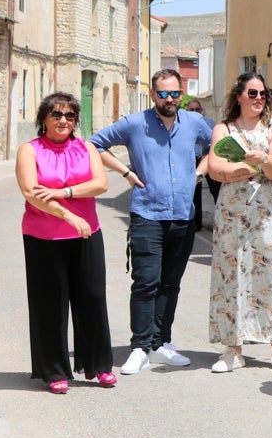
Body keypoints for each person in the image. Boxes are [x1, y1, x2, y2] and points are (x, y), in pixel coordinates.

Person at [91, 68, 213, 374]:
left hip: (183, 216)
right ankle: (140, 347)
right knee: (146, 283)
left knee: (171, 283)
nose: (169, 99)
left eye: (174, 93)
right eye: (163, 93)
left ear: (181, 95)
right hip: (147, 214)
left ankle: (161, 344)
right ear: (153, 95)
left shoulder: (195, 122)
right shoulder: (135, 123)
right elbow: (95, 143)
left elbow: (221, 143)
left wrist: (200, 171)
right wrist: (127, 173)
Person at [17, 93, 115, 394]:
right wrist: (69, 217)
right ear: (44, 118)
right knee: (50, 304)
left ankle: (97, 365)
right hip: (43, 237)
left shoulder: (85, 148)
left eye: (70, 116)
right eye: (57, 114)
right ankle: (54, 370)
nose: (63, 121)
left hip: (87, 234)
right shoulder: (29, 150)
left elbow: (101, 183)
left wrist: (64, 193)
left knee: (93, 298)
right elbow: (32, 193)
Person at [206, 73, 272, 374]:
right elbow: (215, 167)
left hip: (268, 215)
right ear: (239, 97)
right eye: (252, 93)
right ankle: (233, 348)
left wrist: (258, 162)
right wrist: (250, 166)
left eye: (263, 93)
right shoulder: (224, 128)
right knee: (231, 276)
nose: (258, 98)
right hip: (232, 215)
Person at [186, 99, 217, 231]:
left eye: (197, 109)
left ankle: (221, 219)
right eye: (192, 110)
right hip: (193, 160)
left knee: (216, 189)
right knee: (195, 193)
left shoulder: (209, 122)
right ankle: (196, 223)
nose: (195, 112)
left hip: (208, 159)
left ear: (201, 110)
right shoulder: (184, 124)